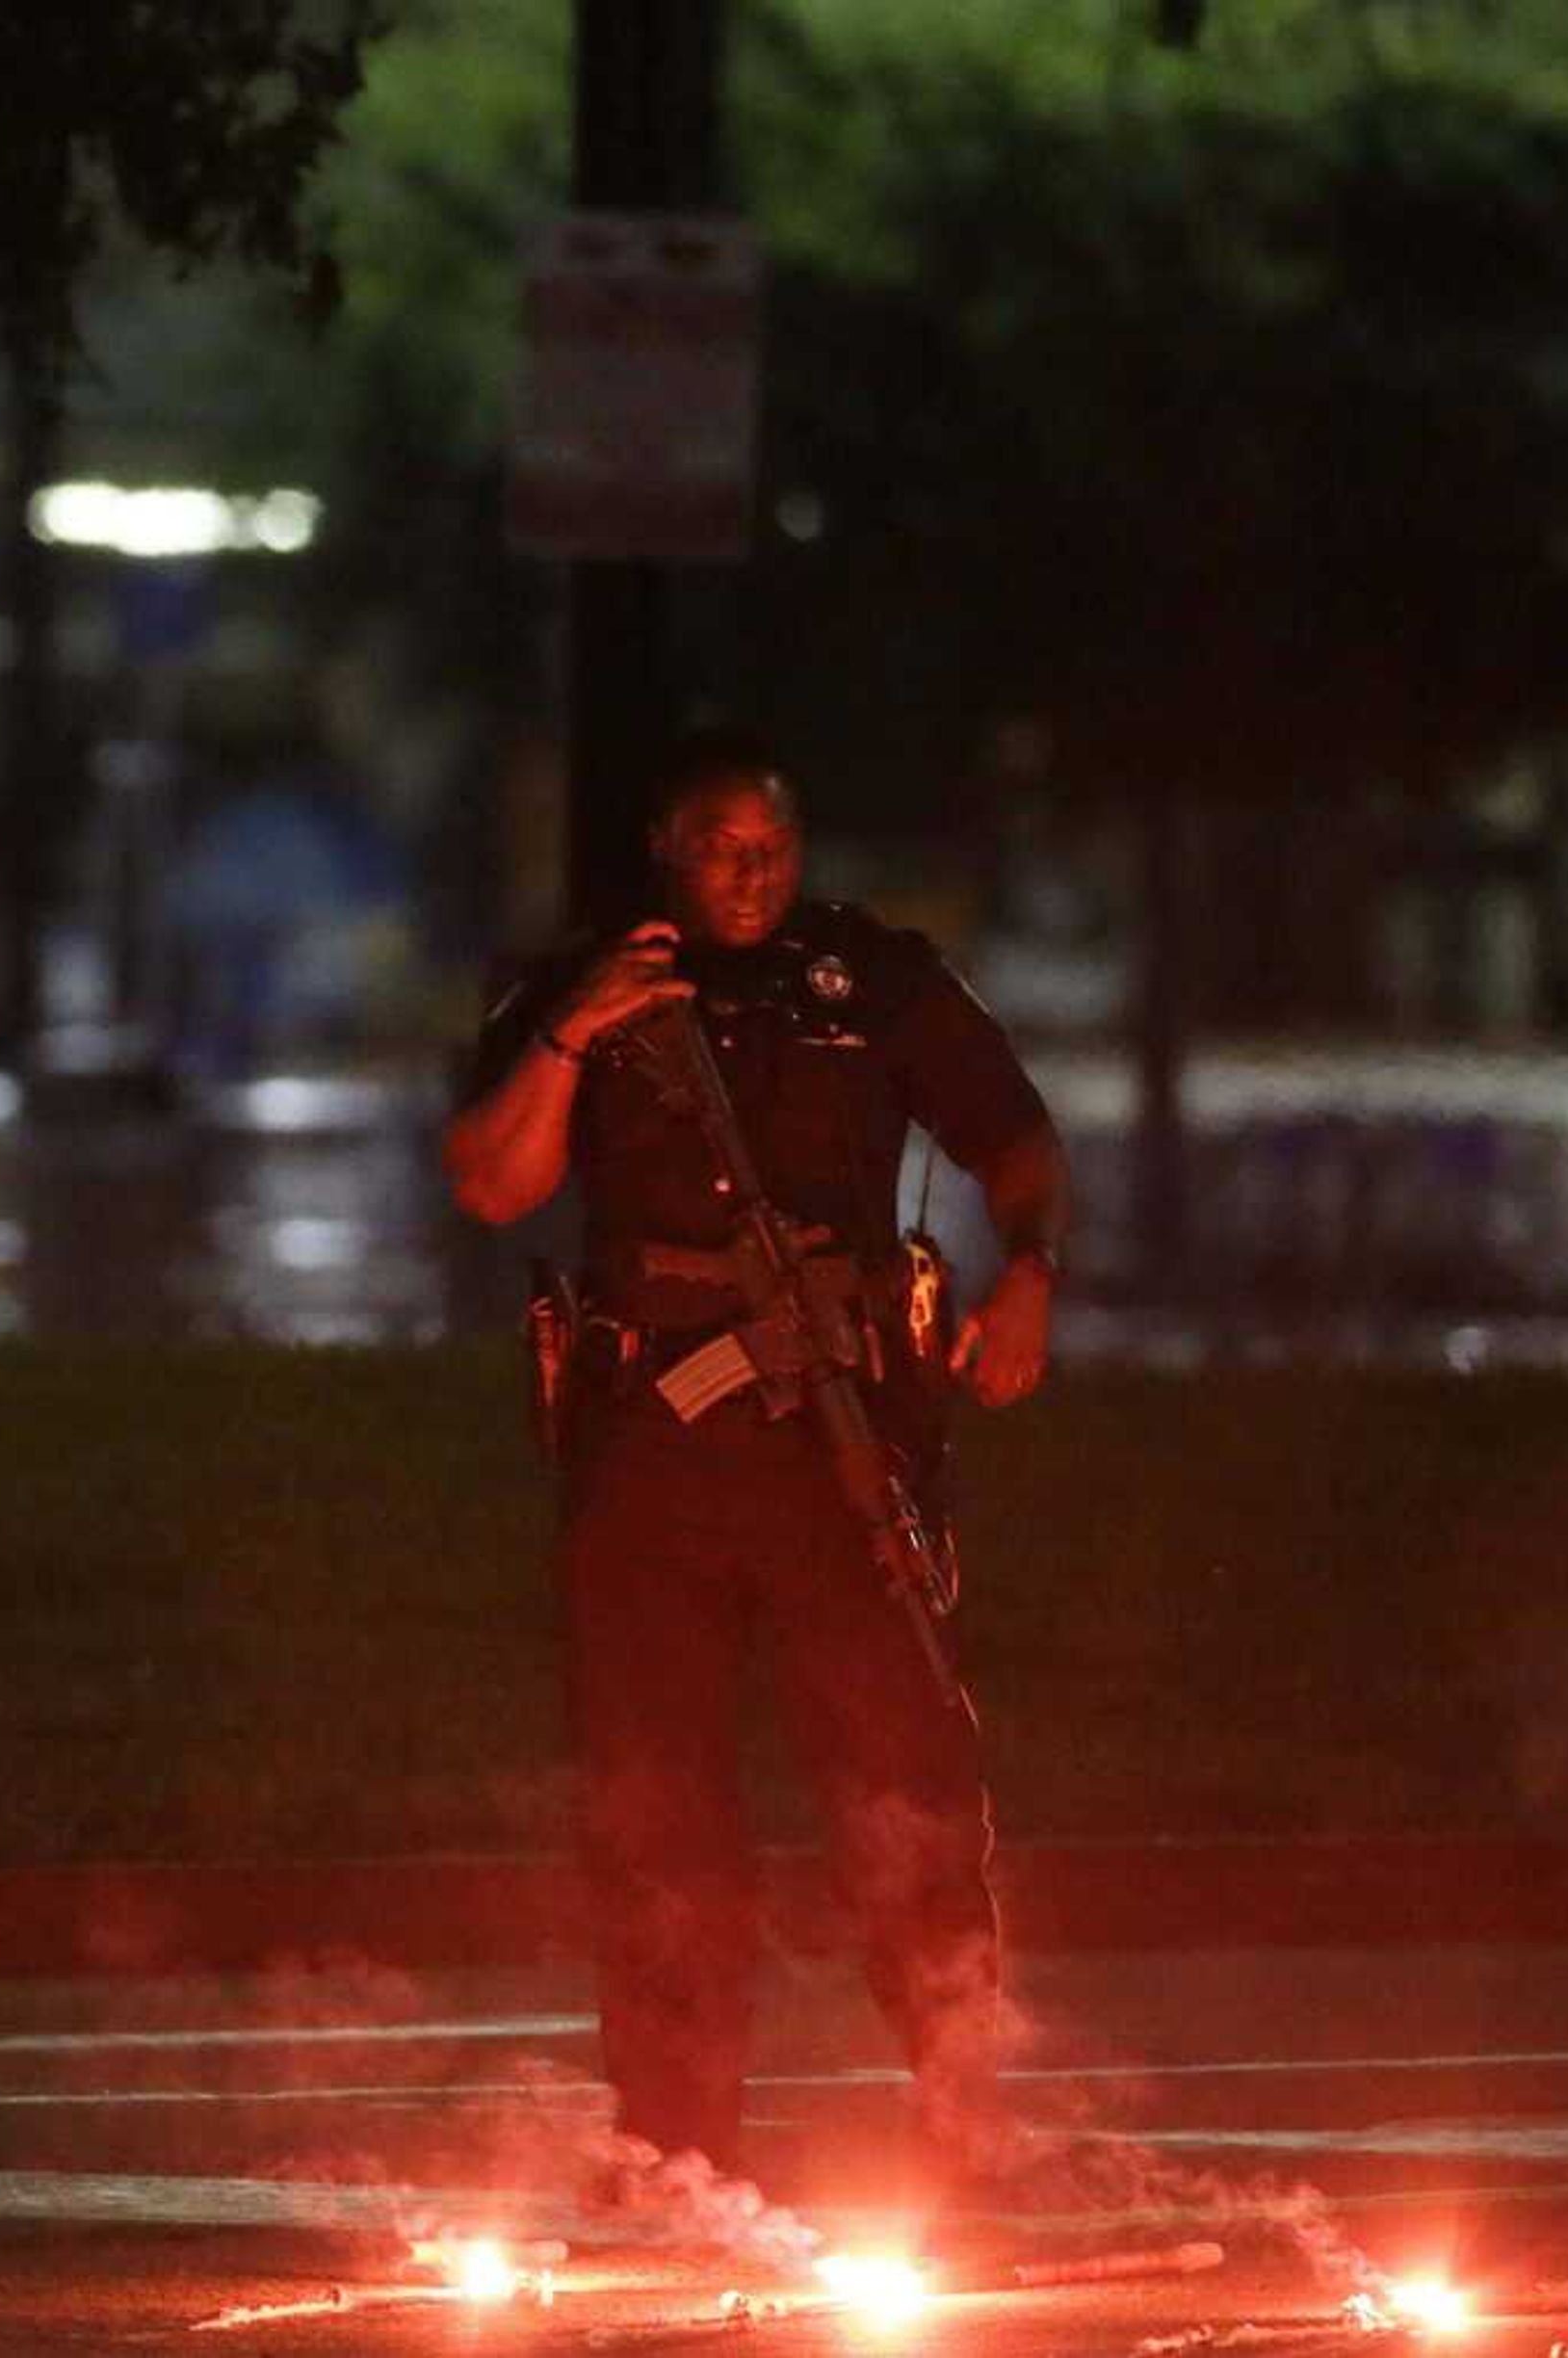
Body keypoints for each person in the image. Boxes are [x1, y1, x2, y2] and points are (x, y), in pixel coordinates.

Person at [443, 728, 1072, 2204]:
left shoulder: (869, 982)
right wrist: (574, 1032)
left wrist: (1030, 1270)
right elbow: (492, 1182)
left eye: (774, 847)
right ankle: (675, 2154)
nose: (753, 873)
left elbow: (1016, 1136)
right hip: (651, 1452)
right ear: (668, 844)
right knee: (654, 1806)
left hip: (838, 1444)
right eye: (723, 847)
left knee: (909, 1780)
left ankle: (965, 2113)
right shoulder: (583, 987)